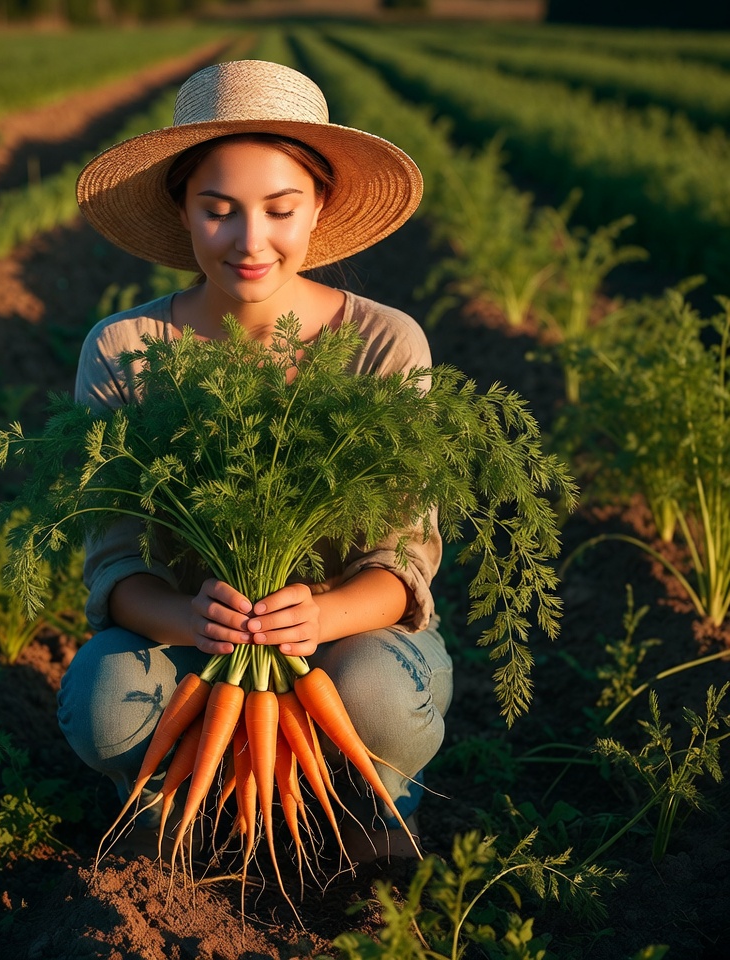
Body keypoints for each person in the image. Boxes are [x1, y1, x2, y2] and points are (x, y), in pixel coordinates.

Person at [56, 59, 452, 865]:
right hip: (194, 652)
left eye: (279, 209)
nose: (249, 240)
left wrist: (317, 617)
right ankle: (173, 796)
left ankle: (372, 797)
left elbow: (403, 556)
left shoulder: (384, 341)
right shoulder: (127, 348)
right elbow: (115, 560)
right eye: (218, 210)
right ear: (183, 212)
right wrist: (191, 618)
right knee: (105, 704)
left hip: (346, 647)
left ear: (319, 208)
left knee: (376, 693)